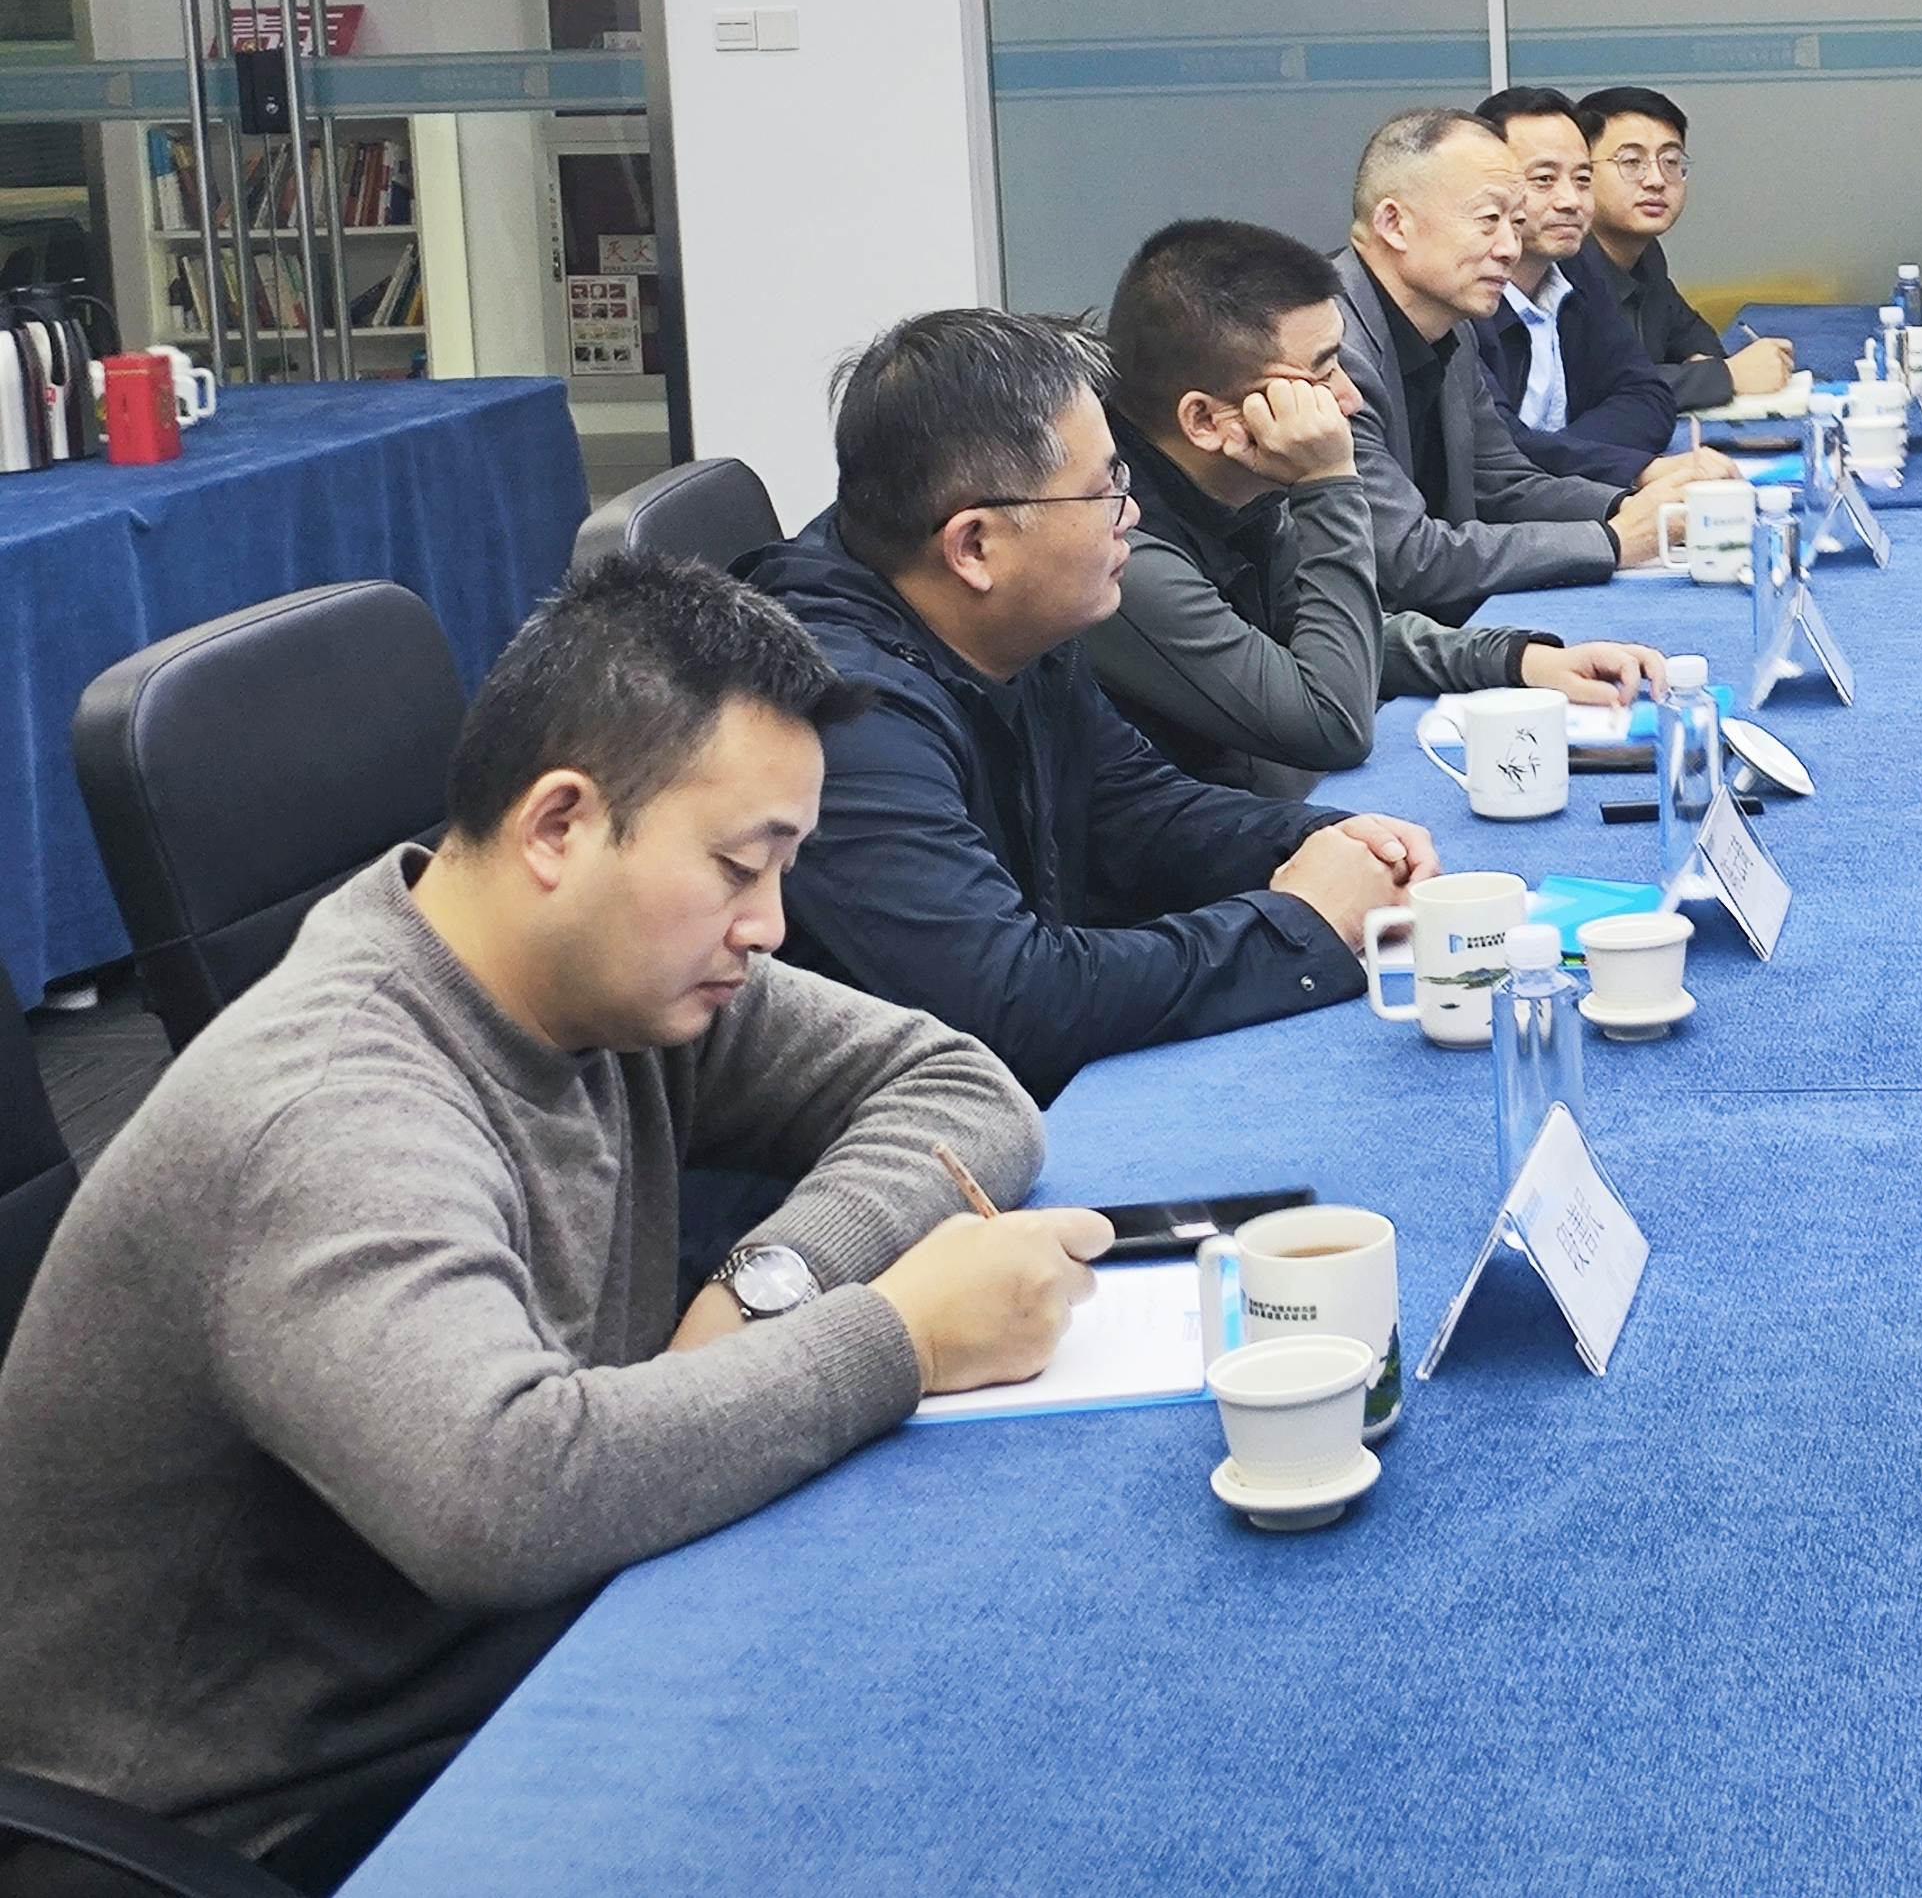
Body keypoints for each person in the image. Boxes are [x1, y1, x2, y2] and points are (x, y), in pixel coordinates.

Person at [0, 555, 1108, 1887]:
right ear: (560, 827)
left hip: (508, 1661)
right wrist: (901, 1338)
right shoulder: (332, 1109)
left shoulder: (609, 978)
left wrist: (772, 1282)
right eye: (738, 866)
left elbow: (960, 1087)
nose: (768, 925)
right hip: (273, 1820)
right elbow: (503, 1495)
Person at [744, 308, 1441, 1100]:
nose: (1130, 514)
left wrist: (1328, 843)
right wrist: (1300, 926)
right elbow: (1007, 999)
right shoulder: (846, 713)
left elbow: (1134, 812)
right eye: (1103, 490)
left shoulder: (1011, 618)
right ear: (975, 547)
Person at [1089, 218, 1670, 797]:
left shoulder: (1235, 482)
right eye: (1321, 373)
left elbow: (1332, 632)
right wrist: (1326, 482)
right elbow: (1331, 723)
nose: (1349, 396)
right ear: (1204, 420)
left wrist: (1518, 661)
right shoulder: (1120, 549)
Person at [1330, 106, 1729, 621]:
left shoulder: (1450, 327)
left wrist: (1628, 507)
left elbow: (1502, 483)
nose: (1508, 248)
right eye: (1488, 221)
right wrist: (1611, 541)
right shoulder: (1329, 348)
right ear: (1395, 224)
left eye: (1515, 223)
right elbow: (1407, 556)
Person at [1464, 86, 1686, 488]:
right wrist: (1620, 466)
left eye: (1583, 180)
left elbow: (1648, 397)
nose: (1570, 201)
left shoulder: (1576, 267)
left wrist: (1555, 455)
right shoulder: (1460, 297)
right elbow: (1495, 455)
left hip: (1559, 504)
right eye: (1544, 180)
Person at [1574, 84, 1795, 412]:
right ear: (1582, 174)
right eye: (1631, 161)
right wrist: (1726, 377)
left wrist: (1702, 371)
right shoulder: (1563, 267)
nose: (1656, 180)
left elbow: (1694, 338)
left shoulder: (1646, 256)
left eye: (1671, 161)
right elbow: (1593, 391)